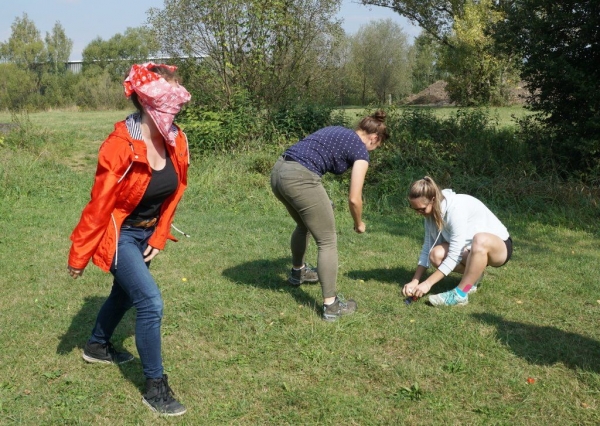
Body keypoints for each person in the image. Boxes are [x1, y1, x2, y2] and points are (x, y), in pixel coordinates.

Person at [67, 62, 191, 416]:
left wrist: (161, 233)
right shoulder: (120, 144)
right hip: (119, 233)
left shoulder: (177, 139)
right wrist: (79, 255)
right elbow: (100, 204)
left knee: (124, 292)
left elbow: (177, 189)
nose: (178, 106)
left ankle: (96, 345)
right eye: (172, 100)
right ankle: (155, 387)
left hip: (147, 232)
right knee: (150, 302)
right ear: (150, 102)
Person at [270, 110, 389, 321]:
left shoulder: (338, 130)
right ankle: (331, 305)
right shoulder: (361, 151)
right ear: (375, 138)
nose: (373, 149)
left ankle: (299, 272)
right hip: (300, 178)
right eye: (376, 146)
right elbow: (354, 198)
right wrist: (358, 223)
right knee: (327, 240)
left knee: (304, 225)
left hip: (279, 171)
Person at [402, 176, 513, 307]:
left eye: (421, 209)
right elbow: (427, 247)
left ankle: (461, 293)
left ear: (432, 200)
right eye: (415, 209)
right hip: (471, 251)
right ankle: (473, 278)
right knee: (435, 254)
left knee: (480, 239)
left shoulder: (455, 209)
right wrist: (415, 280)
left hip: (500, 248)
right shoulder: (430, 213)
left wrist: (427, 284)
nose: (419, 213)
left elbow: (454, 254)